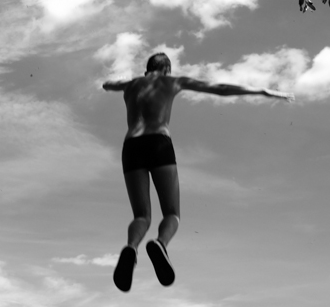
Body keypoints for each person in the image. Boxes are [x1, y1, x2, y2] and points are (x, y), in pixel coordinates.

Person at [102, 52, 292, 292]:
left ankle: (131, 247)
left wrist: (123, 81)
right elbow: (219, 88)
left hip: (131, 146)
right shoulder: (172, 81)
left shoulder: (130, 85)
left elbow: (107, 84)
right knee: (172, 213)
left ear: (147, 69)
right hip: (158, 142)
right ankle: (160, 244)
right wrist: (263, 91)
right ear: (167, 69)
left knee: (141, 216)